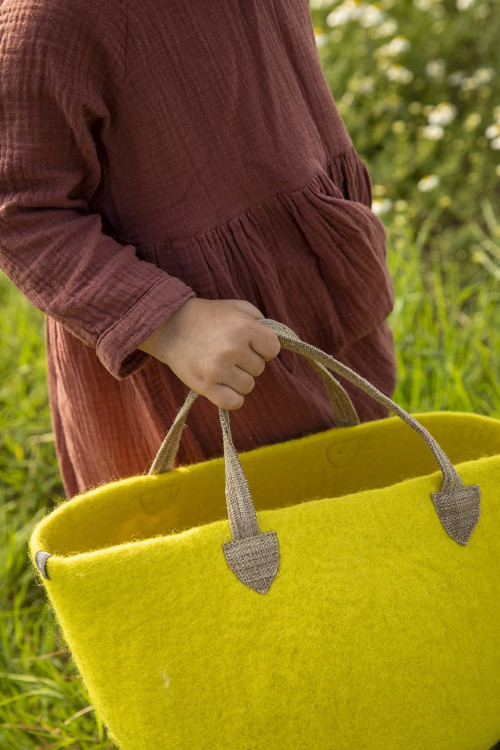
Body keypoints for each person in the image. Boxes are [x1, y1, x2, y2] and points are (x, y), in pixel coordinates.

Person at [0, 0, 397, 498]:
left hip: (314, 302)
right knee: (220, 541)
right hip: (195, 361)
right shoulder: (59, 17)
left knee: (361, 500)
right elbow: (21, 209)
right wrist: (171, 325)